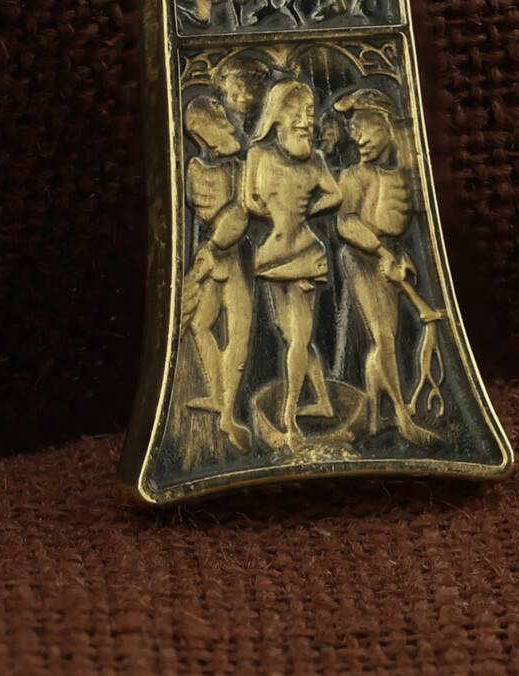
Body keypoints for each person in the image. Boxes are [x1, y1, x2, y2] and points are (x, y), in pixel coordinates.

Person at [333, 88, 441, 442]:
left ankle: (374, 419)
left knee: (383, 341)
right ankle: (402, 417)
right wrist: (381, 253)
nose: (358, 139)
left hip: (392, 255)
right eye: (353, 131)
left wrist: (401, 255)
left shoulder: (408, 172)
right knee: (383, 337)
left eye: (364, 128)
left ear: (386, 124)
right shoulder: (355, 176)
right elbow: (345, 222)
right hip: (363, 256)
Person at [241, 79, 341, 448]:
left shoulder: (315, 161)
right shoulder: (257, 155)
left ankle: (288, 416)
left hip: (305, 253)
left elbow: (336, 194)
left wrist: (304, 213)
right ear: (276, 116)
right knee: (292, 337)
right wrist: (275, 214)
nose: (305, 121)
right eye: (296, 112)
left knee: (298, 339)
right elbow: (249, 201)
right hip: (271, 255)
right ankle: (323, 402)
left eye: (309, 113)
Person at [178, 97, 255, 453]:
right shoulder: (193, 168)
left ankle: (227, 413)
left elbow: (241, 214)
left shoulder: (240, 168)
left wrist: (212, 248)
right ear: (201, 134)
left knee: (238, 330)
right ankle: (219, 397)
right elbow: (202, 212)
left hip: (232, 255)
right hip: (212, 256)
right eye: (219, 122)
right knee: (201, 325)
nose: (228, 127)